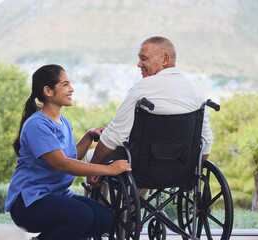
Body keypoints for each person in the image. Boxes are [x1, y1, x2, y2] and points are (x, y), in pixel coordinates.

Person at [4, 64, 131, 240]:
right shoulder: (37, 125)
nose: (71, 89)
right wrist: (108, 170)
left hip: (57, 195)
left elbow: (70, 156)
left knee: (103, 219)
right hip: (29, 202)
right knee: (82, 216)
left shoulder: (63, 121)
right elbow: (62, 163)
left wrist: (88, 137)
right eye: (65, 85)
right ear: (48, 91)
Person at [87, 36, 213, 186]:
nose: (139, 64)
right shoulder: (196, 92)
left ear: (165, 60)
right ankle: (135, 206)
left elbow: (114, 135)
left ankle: (98, 208)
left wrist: (93, 168)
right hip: (180, 171)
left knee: (91, 157)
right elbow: (206, 139)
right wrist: (196, 174)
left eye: (144, 59)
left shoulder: (143, 88)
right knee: (142, 161)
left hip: (142, 170)